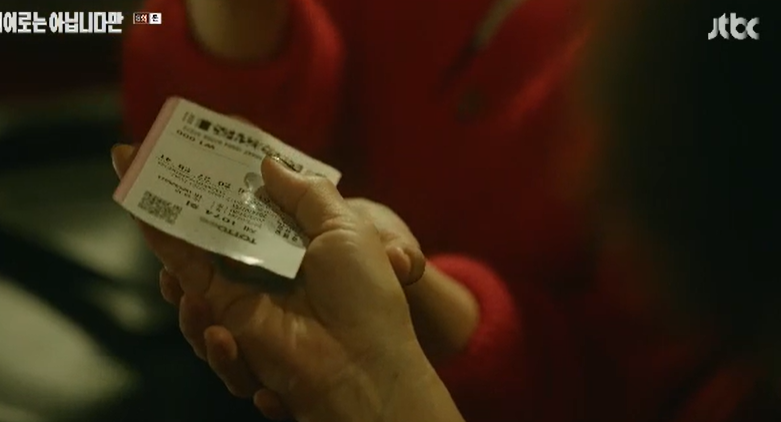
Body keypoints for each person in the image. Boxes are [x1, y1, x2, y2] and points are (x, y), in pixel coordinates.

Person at [116, 0, 779, 420]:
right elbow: (183, 126)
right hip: (237, 338)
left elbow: (634, 369)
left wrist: (413, 302)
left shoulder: (709, 49)